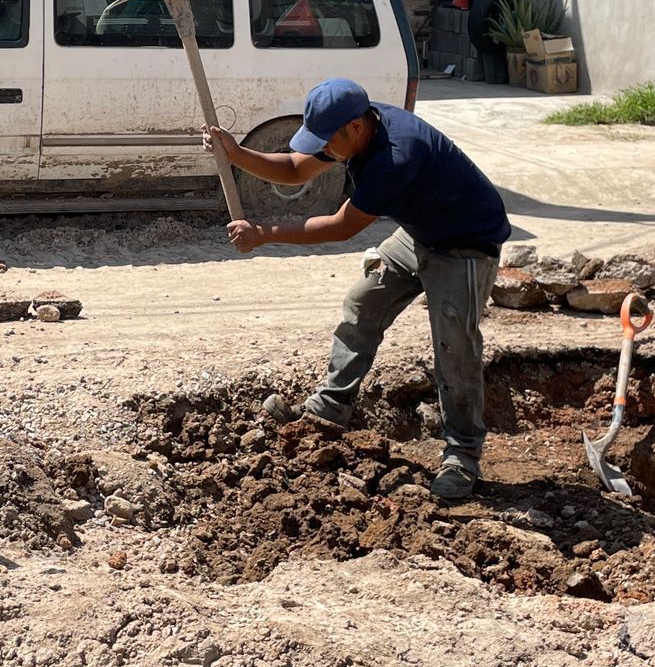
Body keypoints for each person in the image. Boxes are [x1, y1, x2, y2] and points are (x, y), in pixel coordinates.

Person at [206, 78, 510, 501]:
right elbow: (295, 169)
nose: (322, 149)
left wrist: (263, 233)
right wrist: (236, 154)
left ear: (354, 127)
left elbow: (339, 227)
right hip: (422, 232)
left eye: (326, 140)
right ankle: (330, 408)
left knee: (454, 347)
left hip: (465, 244)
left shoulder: (395, 157)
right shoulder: (357, 124)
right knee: (363, 301)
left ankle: (462, 455)